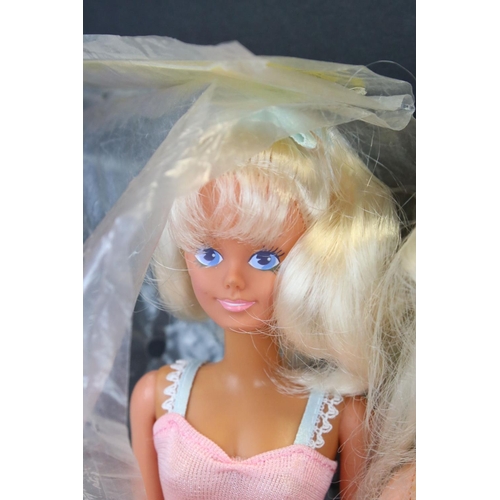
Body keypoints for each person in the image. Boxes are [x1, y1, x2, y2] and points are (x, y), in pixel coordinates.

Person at [129, 128, 401, 500]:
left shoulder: (342, 415)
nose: (233, 279)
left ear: (315, 265)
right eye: (209, 254)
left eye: (265, 259)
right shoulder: (155, 396)